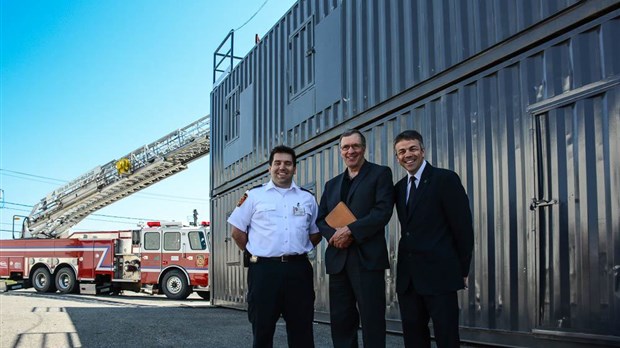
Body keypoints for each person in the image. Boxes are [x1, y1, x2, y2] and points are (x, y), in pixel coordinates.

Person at [228, 145, 322, 348]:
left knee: (302, 331)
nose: (282, 167)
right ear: (269, 168)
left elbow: (315, 233)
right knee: (262, 330)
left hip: (298, 271)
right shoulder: (253, 196)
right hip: (264, 271)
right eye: (277, 163)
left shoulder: (307, 198)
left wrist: (298, 249)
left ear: (295, 168)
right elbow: (237, 232)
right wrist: (257, 252)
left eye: (288, 163)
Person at [392, 130, 474, 348]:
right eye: (401, 151)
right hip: (409, 279)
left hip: (440, 275)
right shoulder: (399, 189)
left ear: (423, 151)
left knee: (446, 337)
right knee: (414, 338)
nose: (407, 155)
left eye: (412, 149)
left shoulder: (445, 179)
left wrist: (463, 269)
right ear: (397, 157)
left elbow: (463, 228)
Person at [316, 129, 394, 348]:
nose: (350, 151)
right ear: (340, 151)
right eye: (345, 147)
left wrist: (350, 230)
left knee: (372, 320)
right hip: (338, 259)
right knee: (341, 320)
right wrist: (334, 235)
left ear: (364, 148)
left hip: (367, 260)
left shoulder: (380, 174)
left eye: (355, 146)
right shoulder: (331, 185)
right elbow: (321, 219)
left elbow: (382, 211)